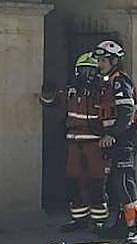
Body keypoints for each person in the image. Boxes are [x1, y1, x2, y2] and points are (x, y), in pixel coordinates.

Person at [39, 52, 108, 231]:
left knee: (96, 182)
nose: (87, 75)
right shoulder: (71, 90)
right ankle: (79, 219)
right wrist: (47, 94)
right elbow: (52, 103)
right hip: (74, 143)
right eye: (83, 71)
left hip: (95, 143)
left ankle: (99, 221)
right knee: (75, 181)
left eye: (91, 71)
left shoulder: (103, 91)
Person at [94, 40, 137, 244]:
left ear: (114, 61)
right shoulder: (107, 82)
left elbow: (127, 112)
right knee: (113, 184)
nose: (99, 64)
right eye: (99, 60)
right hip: (116, 138)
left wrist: (112, 135)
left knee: (124, 182)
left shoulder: (120, 81)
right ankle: (121, 225)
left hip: (125, 137)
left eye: (103, 61)